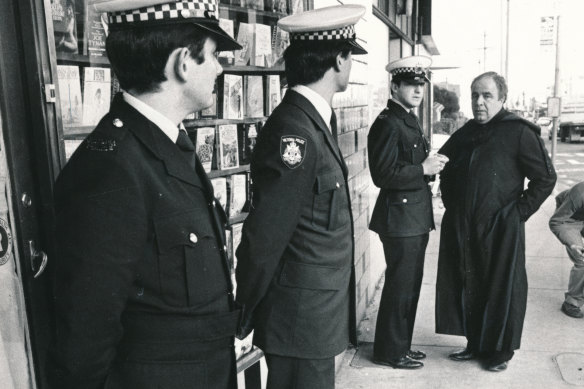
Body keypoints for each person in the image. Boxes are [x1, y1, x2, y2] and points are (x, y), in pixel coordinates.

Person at [49, 1, 242, 388]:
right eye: (214, 55)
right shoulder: (112, 167)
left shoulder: (167, 143)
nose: (221, 68)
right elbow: (86, 331)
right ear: (182, 63)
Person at [234, 5, 367, 388]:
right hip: (298, 321)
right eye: (350, 56)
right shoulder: (295, 131)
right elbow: (267, 233)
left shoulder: (312, 120)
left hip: (312, 317)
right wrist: (245, 309)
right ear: (340, 59)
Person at [435, 71, 556, 372]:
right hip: (466, 224)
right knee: (470, 283)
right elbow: (444, 165)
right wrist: (453, 205)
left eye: (486, 95)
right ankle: (474, 343)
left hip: (502, 226)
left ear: (502, 98)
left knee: (502, 287)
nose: (479, 102)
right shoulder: (466, 132)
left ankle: (500, 351)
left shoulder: (518, 131)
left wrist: (518, 212)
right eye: (474, 95)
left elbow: (545, 178)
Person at [368, 56, 448, 370]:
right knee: (401, 285)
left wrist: (427, 170)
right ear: (395, 86)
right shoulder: (388, 122)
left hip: (412, 216)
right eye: (411, 85)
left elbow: (406, 166)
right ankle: (389, 352)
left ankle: (400, 346)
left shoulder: (408, 119)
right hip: (399, 218)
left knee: (410, 285)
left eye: (421, 85)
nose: (417, 90)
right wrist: (422, 168)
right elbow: (382, 174)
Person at [549, 182, 584, 319]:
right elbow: (556, 222)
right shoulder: (580, 192)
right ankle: (571, 302)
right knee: (582, 260)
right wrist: (572, 244)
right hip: (568, 220)